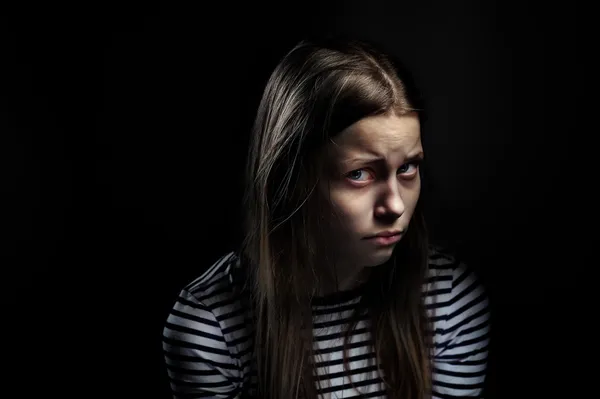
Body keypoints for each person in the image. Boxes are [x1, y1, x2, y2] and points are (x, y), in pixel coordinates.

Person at [162, 35, 490, 399]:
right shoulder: (211, 327)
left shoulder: (447, 301)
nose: (395, 206)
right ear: (290, 180)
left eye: (408, 168)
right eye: (360, 174)